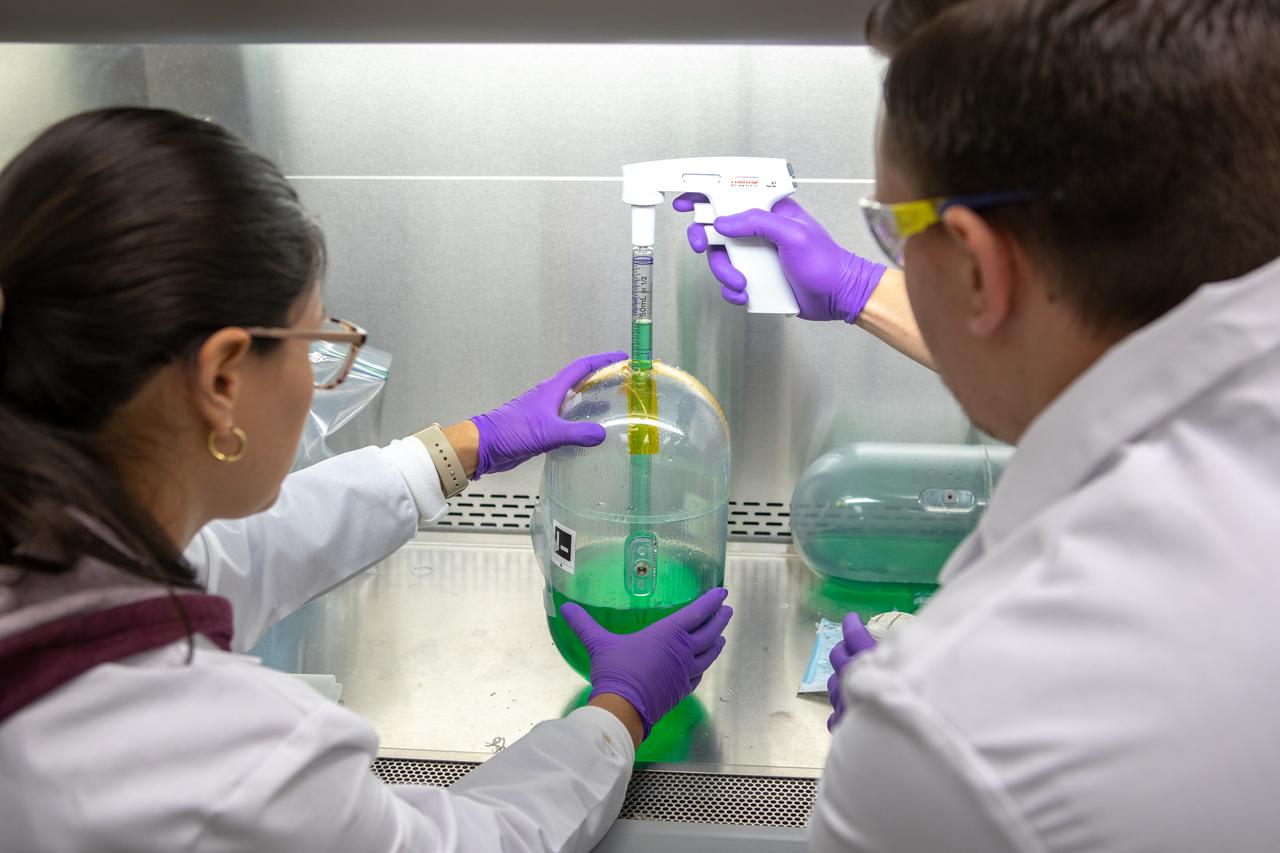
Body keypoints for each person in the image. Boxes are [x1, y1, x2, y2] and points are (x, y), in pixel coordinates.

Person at [0, 107, 733, 852]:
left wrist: (470, 446)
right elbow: (470, 843)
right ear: (223, 375)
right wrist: (618, 711)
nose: (320, 376)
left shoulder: (48, 540)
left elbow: (228, 558)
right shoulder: (236, 759)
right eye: (317, 342)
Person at [679, 0, 1280, 849]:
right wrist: (859, 287)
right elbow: (1083, 353)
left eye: (892, 230)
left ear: (974, 262)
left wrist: (916, 735)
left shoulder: (954, 737)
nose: (888, 256)